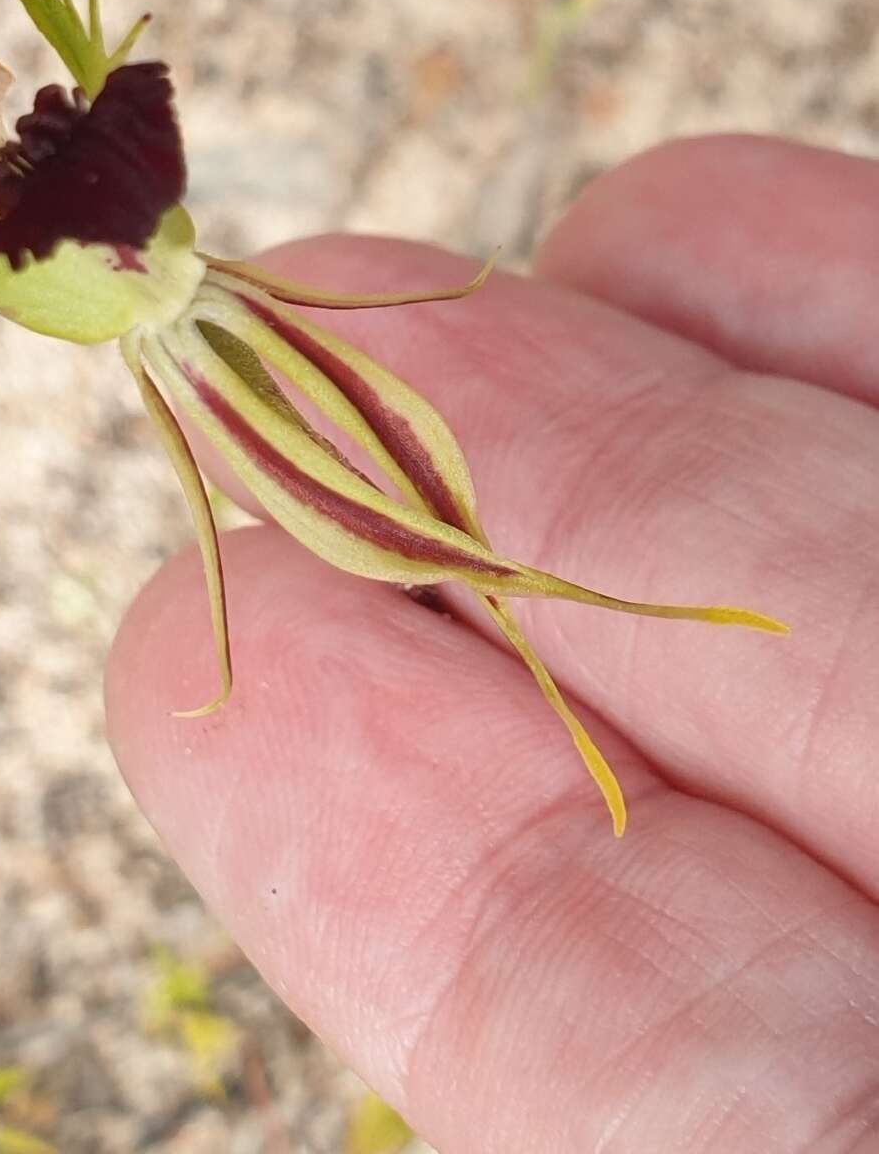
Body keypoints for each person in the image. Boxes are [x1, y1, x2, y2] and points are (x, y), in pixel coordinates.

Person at [106, 135, 879, 1152]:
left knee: (456, 540)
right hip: (194, 324)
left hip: (199, 311)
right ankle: (541, 611)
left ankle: (542, 606)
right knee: (453, 544)